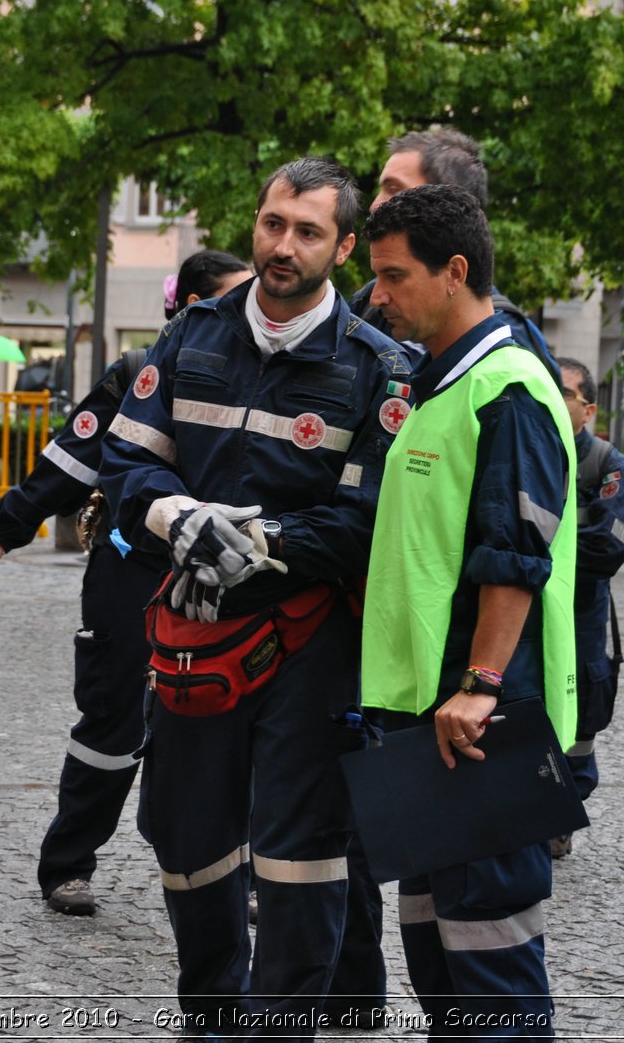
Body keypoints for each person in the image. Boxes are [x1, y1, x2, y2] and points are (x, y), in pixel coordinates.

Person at [100, 157, 414, 1040]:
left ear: (345, 246)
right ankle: (210, 1015)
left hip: (309, 650)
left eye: (308, 231)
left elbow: (365, 520)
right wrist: (177, 515)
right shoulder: (190, 336)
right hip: (192, 634)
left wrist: (256, 544)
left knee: (302, 859)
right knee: (187, 843)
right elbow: (126, 457)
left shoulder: (377, 369)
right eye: (274, 223)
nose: (283, 245)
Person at [0, 251, 251, 917]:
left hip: (219, 581)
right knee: (111, 721)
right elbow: (69, 460)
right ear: (190, 309)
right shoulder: (136, 374)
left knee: (222, 726)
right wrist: (5, 532)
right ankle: (67, 864)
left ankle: (231, 871)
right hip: (132, 570)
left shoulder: (257, 378)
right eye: (231, 299)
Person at [358, 185, 577, 1039]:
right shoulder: (439, 383)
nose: (378, 295)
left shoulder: (509, 387)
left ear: (455, 272)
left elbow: (514, 554)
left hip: (484, 724)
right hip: (427, 724)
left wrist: (483, 682)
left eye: (393, 276)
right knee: (439, 959)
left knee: (493, 973)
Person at [351, 127, 559, 380]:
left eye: (394, 190)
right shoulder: (370, 307)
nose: (375, 204)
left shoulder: (512, 357)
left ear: (446, 202)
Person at [551, 357, 624, 858]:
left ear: (588, 410)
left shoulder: (609, 466)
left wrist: (539, 554)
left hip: (581, 619)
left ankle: (564, 812)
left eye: (564, 394)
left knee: (579, 725)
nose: (553, 399)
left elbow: (609, 548)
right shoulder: (530, 453)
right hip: (527, 615)